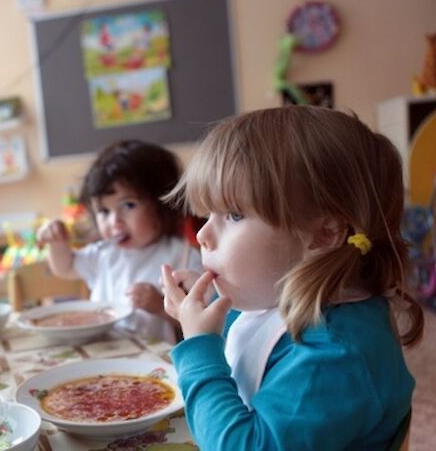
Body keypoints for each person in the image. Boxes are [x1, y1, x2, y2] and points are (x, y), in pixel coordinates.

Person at [161, 106, 423, 450]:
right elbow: (260, 337)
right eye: (208, 214)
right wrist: (212, 304)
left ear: (325, 233)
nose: (203, 235)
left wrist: (198, 348)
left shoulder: (334, 355)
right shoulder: (300, 296)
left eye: (234, 215)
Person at [38, 139, 201, 343]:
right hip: (100, 352)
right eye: (104, 211)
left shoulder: (183, 257)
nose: (115, 221)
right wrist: (57, 243)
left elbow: (201, 323)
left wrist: (159, 306)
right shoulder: (104, 253)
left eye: (128, 205)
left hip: (154, 363)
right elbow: (65, 267)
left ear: (164, 202)